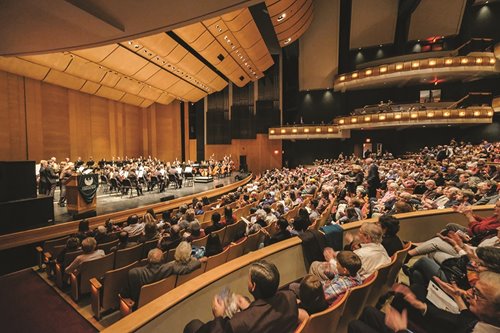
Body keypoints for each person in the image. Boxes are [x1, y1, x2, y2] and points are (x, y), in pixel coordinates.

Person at [184, 260, 302, 333]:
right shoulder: (290, 297)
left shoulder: (238, 323)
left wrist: (218, 316)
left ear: (253, 286)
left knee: (192, 326)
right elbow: (265, 317)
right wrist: (249, 308)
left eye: (249, 278)